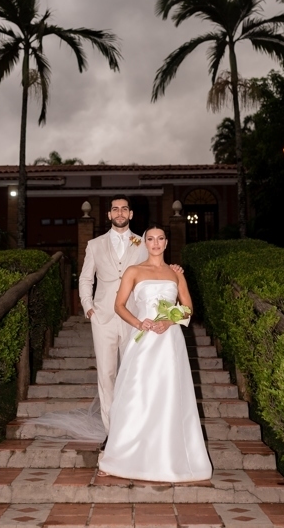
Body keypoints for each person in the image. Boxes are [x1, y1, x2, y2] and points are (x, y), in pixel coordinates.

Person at [98, 225, 212, 483]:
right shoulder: (134, 271)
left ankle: (169, 459)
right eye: (150, 239)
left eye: (160, 238)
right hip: (144, 340)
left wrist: (169, 321)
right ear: (144, 243)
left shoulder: (176, 273)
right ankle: (119, 457)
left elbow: (188, 308)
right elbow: (119, 305)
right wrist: (139, 323)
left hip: (170, 341)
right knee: (136, 394)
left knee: (169, 395)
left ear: (166, 243)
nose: (156, 243)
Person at [79, 195, 181, 435]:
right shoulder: (94, 245)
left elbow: (157, 266)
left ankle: (132, 428)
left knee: (132, 372)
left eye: (124, 209)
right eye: (115, 209)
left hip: (135, 317)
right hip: (103, 317)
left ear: (131, 214)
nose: (120, 213)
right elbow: (85, 278)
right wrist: (88, 306)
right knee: (106, 375)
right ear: (109, 214)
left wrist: (174, 269)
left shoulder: (143, 242)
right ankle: (111, 432)